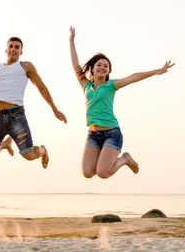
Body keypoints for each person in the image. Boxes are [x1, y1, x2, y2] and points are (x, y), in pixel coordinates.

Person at [68, 26, 174, 178]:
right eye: (99, 65)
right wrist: (71, 41)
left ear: (109, 71)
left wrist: (156, 71)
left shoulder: (111, 85)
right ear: (92, 69)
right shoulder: (86, 85)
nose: (102, 67)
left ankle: (125, 159)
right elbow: (75, 65)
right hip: (93, 134)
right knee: (87, 173)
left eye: (106, 66)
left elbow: (133, 77)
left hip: (112, 133)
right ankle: (116, 159)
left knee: (103, 173)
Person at [0, 36, 67, 168]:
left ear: (21, 52)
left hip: (16, 116)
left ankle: (43, 150)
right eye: (11, 46)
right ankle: (5, 144)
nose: (13, 49)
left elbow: (42, 87)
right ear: (6, 50)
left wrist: (54, 109)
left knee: (28, 154)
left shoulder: (25, 66)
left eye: (17, 47)